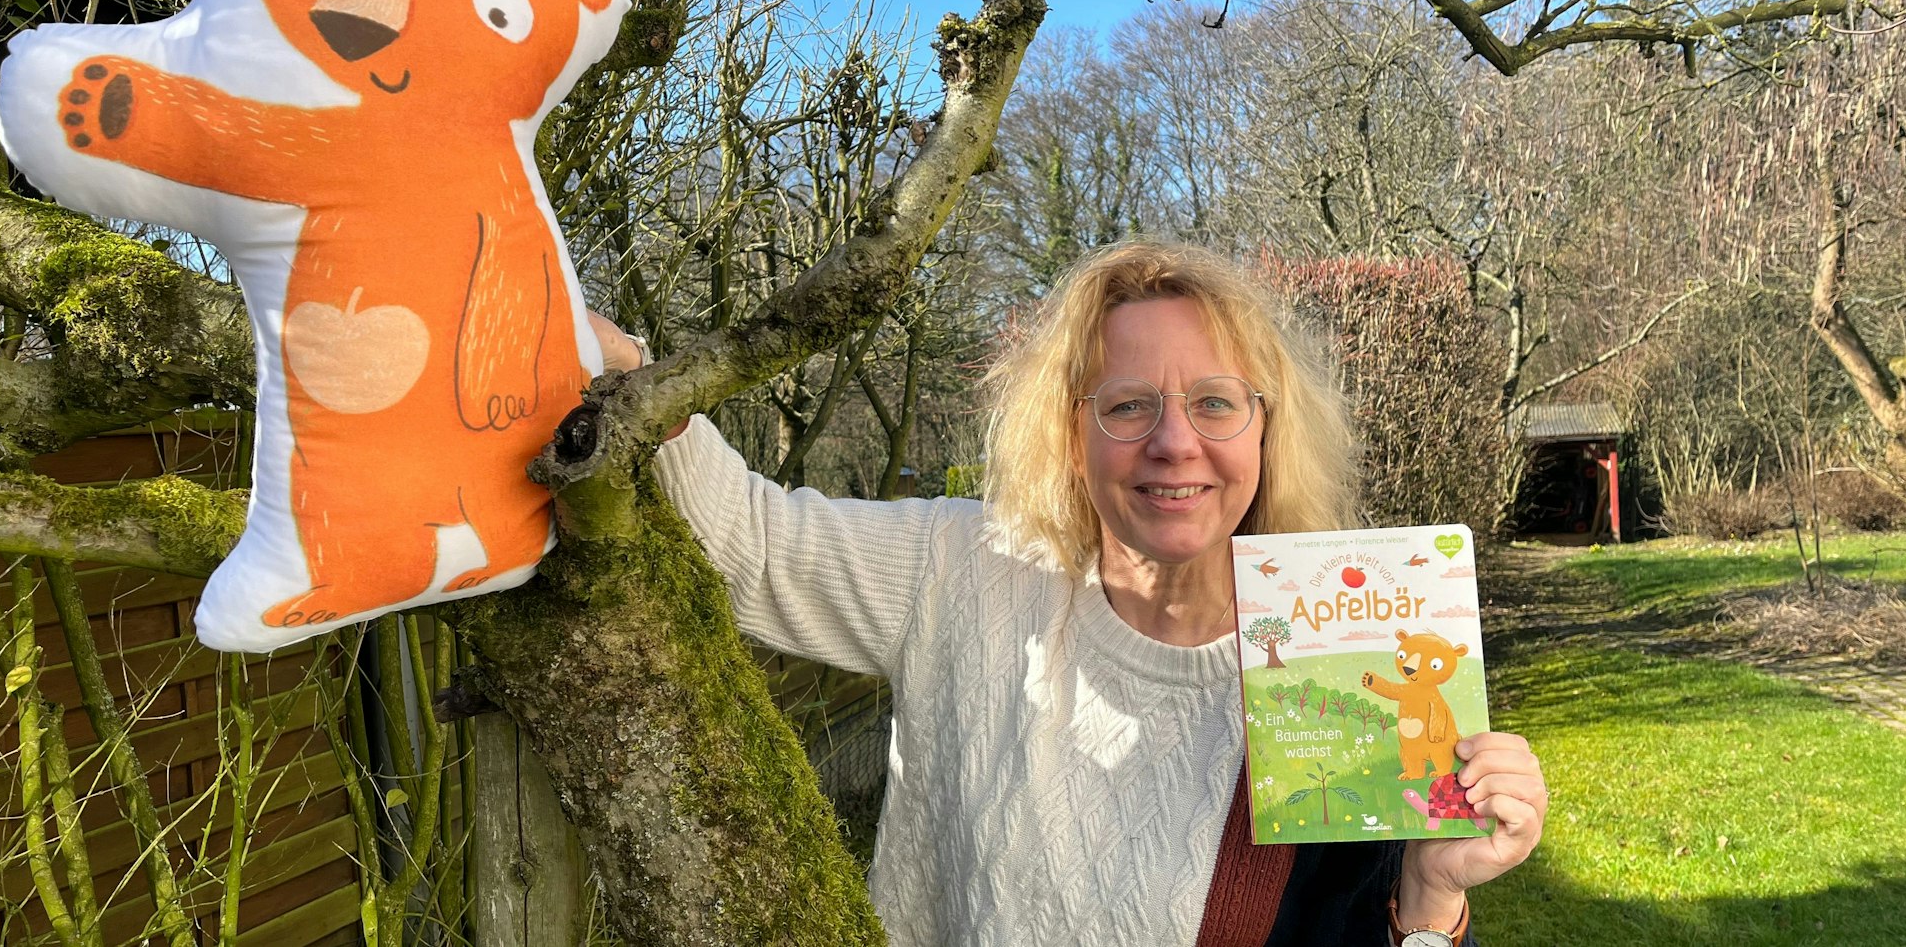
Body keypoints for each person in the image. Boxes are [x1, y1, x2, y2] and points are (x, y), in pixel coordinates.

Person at [589, 240, 1547, 946]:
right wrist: (605, 356)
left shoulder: (1341, 648)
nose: (1175, 442)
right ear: (1070, 430)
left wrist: (1430, 899)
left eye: (1215, 401)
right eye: (1128, 404)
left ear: (1265, 427)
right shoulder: (964, 570)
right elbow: (747, 543)